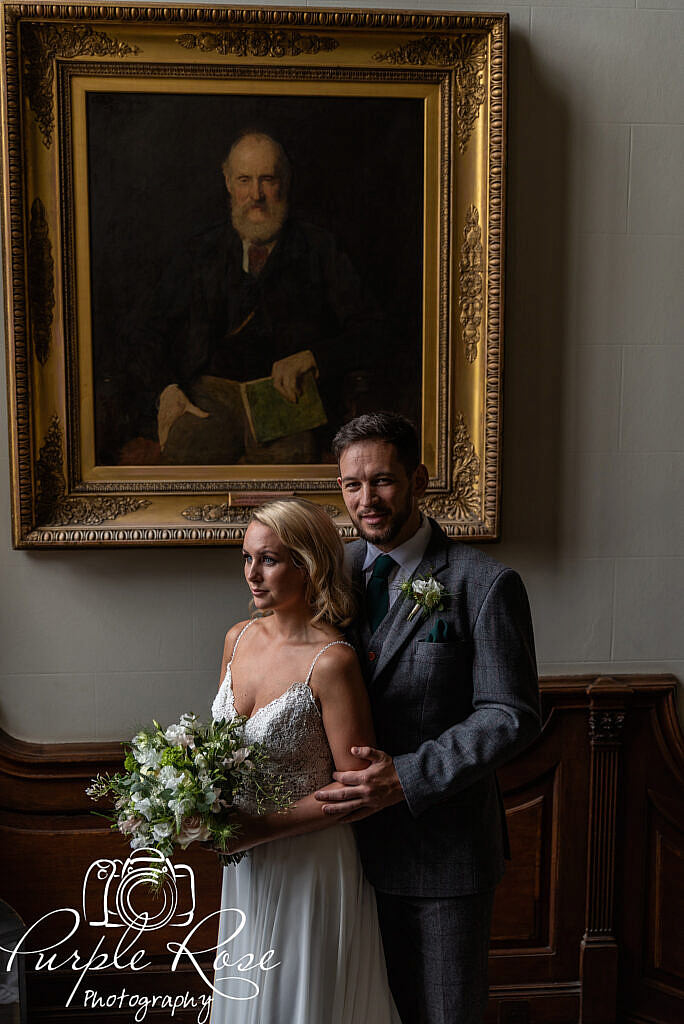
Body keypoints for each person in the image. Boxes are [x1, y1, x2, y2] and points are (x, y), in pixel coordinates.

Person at [310, 411, 541, 1024]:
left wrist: (406, 775)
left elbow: (511, 715)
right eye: (351, 485)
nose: (367, 500)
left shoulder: (484, 584)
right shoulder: (331, 574)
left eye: (382, 481)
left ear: (419, 478)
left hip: (443, 854)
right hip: (343, 856)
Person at [209, 498, 400, 1024]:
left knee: (302, 1002)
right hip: (245, 861)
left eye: (268, 560)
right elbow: (219, 754)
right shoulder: (237, 639)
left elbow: (357, 792)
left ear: (307, 564)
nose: (252, 573)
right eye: (246, 557)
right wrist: (192, 801)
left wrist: (257, 829)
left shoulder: (332, 661)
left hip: (310, 865)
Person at [150, 130, 381, 465]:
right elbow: (148, 332)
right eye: (244, 180)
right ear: (228, 183)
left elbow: (373, 330)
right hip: (206, 400)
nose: (256, 195)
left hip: (288, 401)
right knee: (185, 464)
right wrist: (166, 389)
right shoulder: (199, 252)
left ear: (284, 182)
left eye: (267, 179)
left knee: (288, 497)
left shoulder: (320, 249)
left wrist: (313, 357)